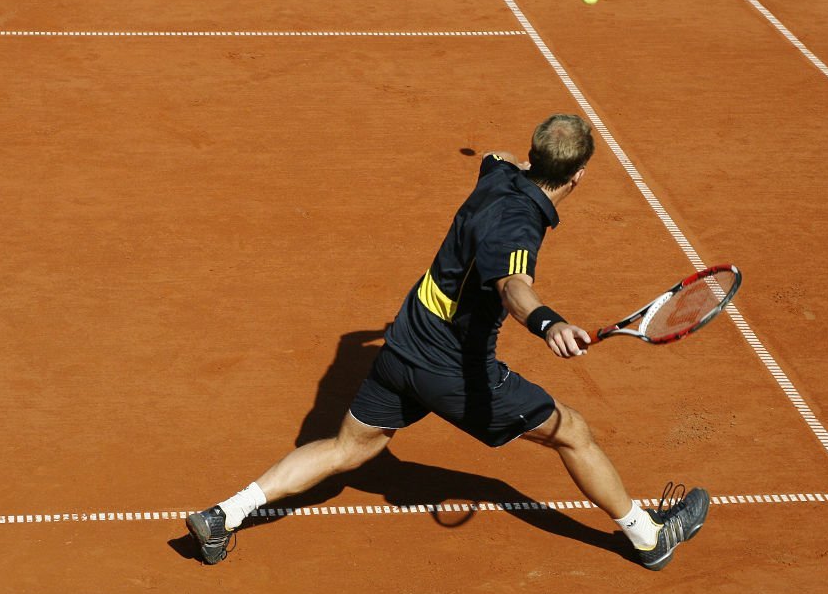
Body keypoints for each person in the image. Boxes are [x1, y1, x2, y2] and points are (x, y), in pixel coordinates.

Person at [186, 114, 709, 570]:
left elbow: (493, 157)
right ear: (579, 175)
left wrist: (517, 165)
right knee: (572, 431)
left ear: (532, 159)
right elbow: (513, 287)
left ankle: (223, 514)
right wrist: (548, 323)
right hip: (453, 370)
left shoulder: (500, 176)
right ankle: (649, 537)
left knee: (348, 448)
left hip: (403, 346)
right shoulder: (520, 227)